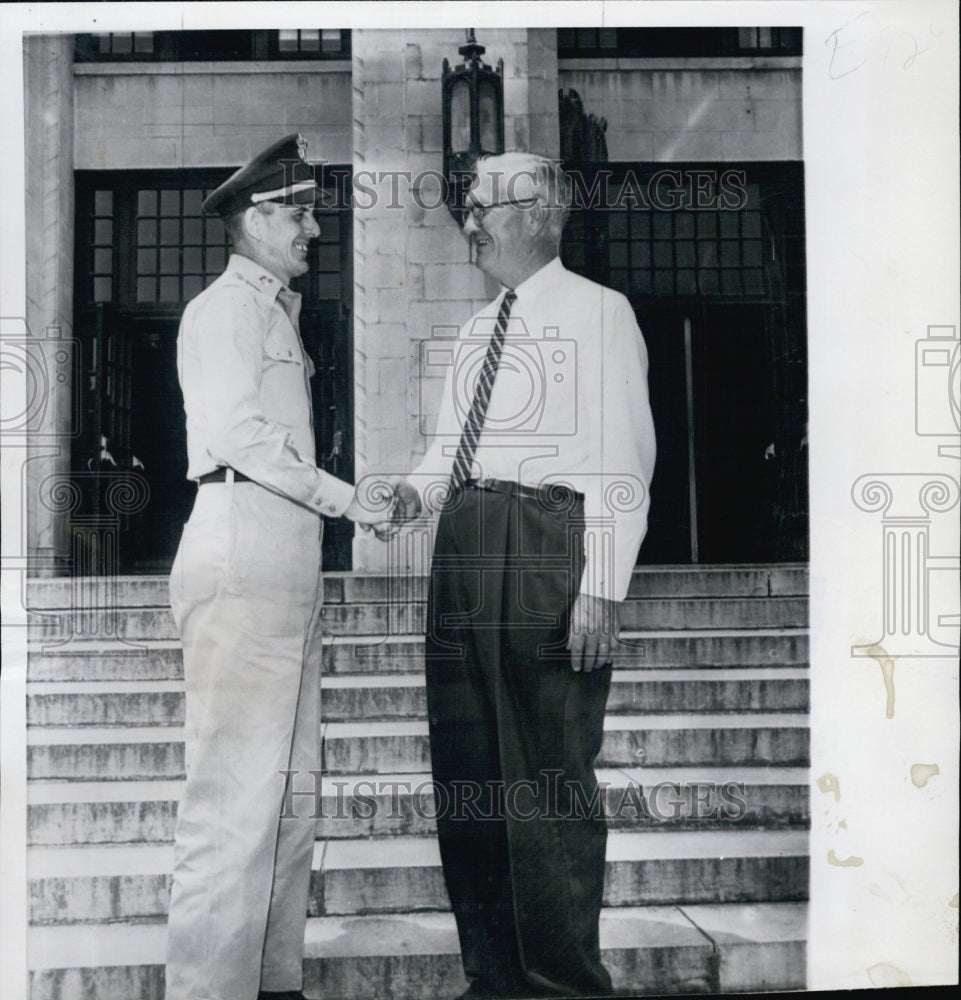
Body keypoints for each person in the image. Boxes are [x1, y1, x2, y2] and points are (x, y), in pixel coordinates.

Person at [392, 152, 656, 998]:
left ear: (541, 215)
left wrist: (601, 583)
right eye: (464, 209)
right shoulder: (475, 329)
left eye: (482, 208)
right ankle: (493, 978)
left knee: (545, 779)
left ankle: (561, 983)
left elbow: (626, 455)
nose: (468, 222)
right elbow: (446, 452)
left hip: (546, 541)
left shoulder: (599, 312)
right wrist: (402, 496)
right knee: (467, 775)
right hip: (465, 545)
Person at [166, 133, 395, 1000]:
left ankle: (270, 981)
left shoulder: (273, 313)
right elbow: (239, 436)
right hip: (242, 543)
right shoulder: (222, 311)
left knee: (289, 795)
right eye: (298, 213)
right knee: (233, 797)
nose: (313, 230)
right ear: (254, 219)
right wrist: (349, 498)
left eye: (311, 212)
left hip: (282, 555)